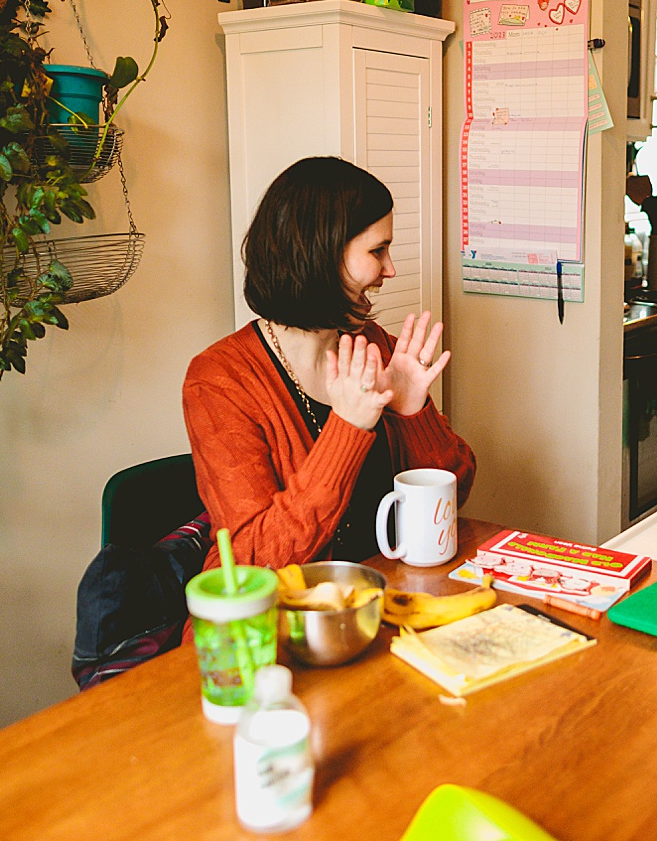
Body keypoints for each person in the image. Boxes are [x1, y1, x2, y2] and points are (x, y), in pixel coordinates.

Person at [182, 156, 476, 584]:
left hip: (384, 594)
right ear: (318, 255)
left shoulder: (372, 344)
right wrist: (348, 427)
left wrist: (414, 414)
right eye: (377, 251)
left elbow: (455, 496)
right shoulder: (219, 380)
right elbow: (255, 561)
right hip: (279, 627)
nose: (390, 269)